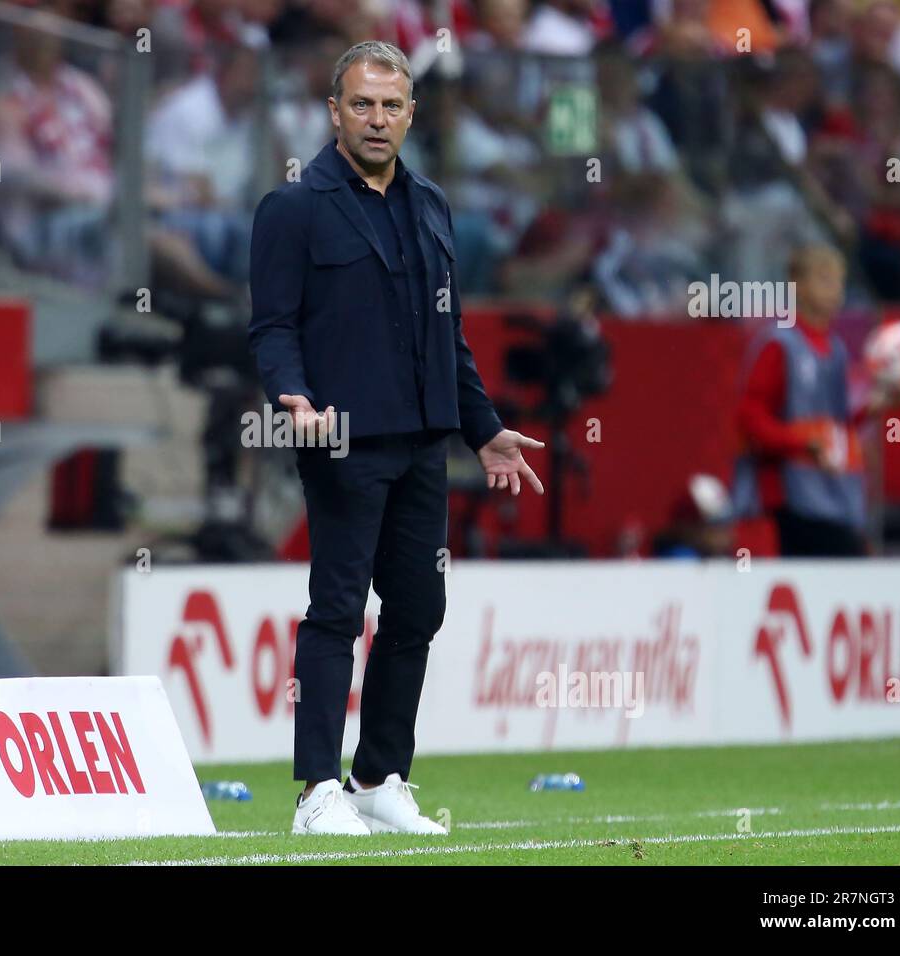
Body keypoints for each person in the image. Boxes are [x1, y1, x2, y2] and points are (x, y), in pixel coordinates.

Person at [247, 41, 544, 836]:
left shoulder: (432, 205)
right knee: (337, 608)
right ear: (334, 111)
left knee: (418, 607)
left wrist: (482, 430)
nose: (377, 120)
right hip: (341, 437)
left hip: (423, 443)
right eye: (362, 104)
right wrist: (294, 396)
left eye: (391, 105)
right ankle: (316, 792)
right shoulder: (294, 207)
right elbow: (272, 328)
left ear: (411, 113)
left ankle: (378, 777)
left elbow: (450, 339)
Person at [731, 244, 900, 556]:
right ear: (797, 285)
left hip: (833, 493)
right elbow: (750, 416)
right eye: (824, 280)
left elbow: (835, 422)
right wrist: (798, 443)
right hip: (789, 496)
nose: (835, 291)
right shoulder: (780, 344)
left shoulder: (835, 349)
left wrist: (874, 407)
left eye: (839, 281)